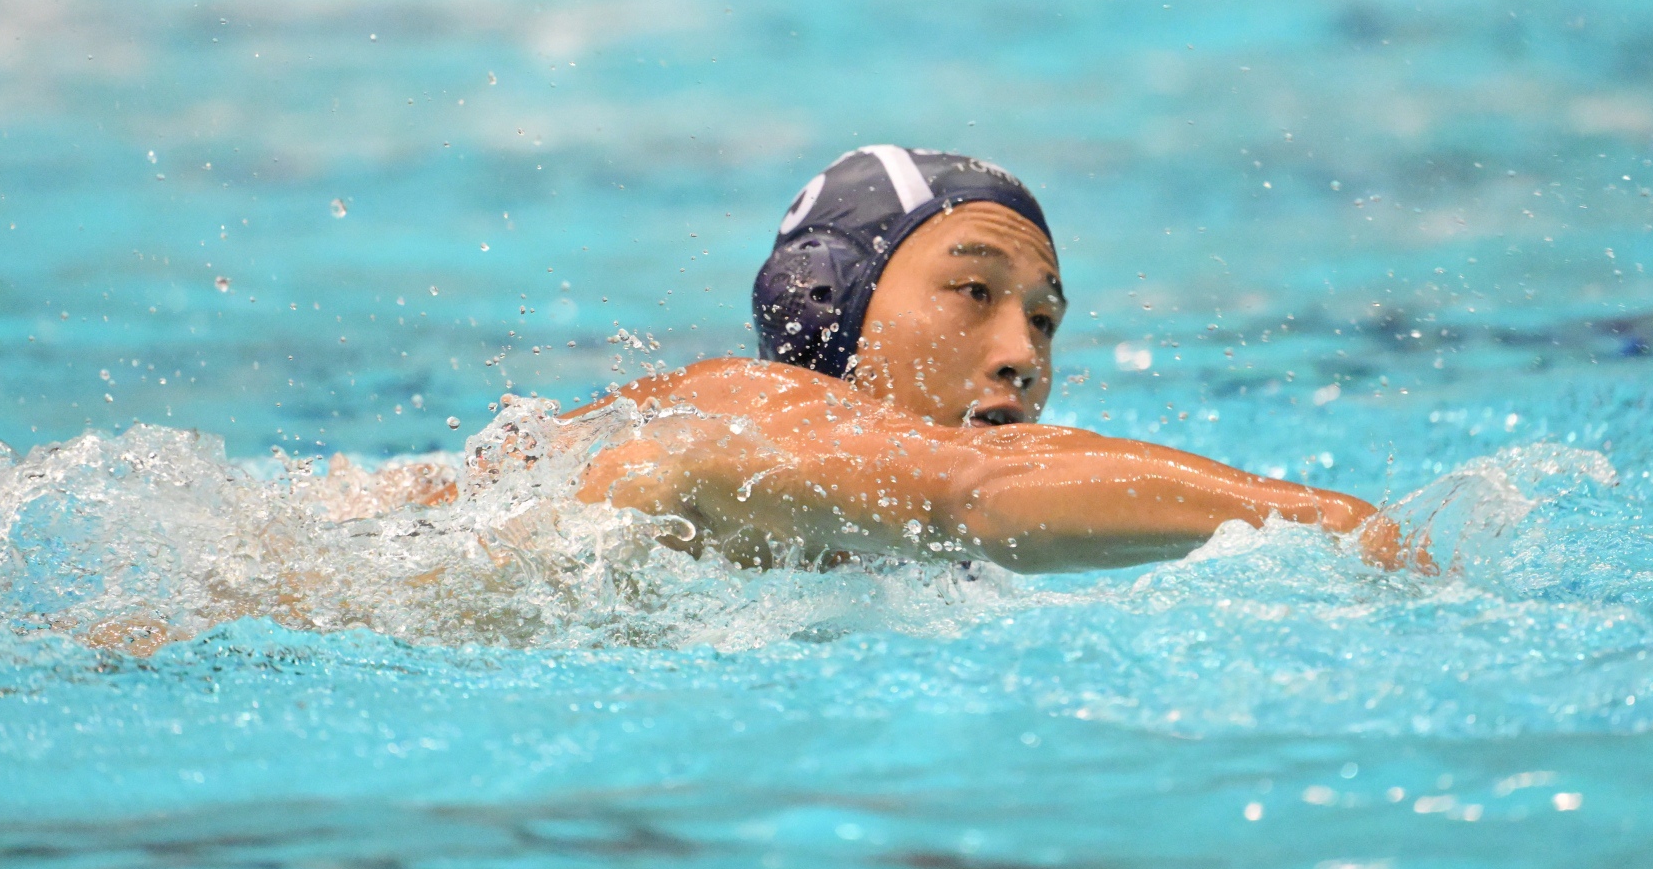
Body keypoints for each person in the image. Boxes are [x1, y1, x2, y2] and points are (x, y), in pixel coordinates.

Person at [574, 146, 1404, 572]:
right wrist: (1330, 521)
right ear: (821, 304)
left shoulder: (910, 563)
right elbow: (973, 489)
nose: (1023, 358)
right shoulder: (731, 412)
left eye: (1043, 321)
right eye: (974, 291)